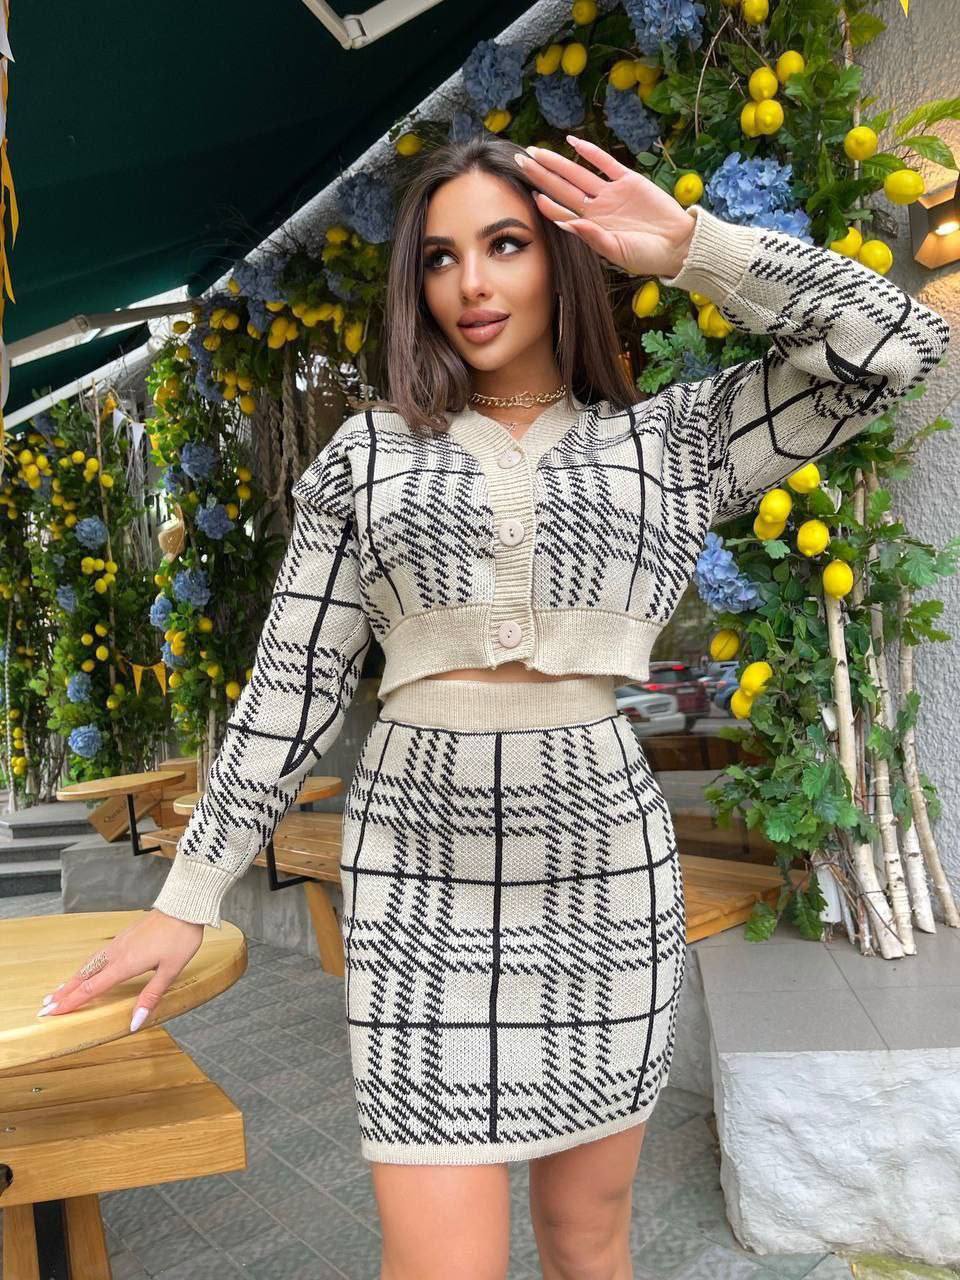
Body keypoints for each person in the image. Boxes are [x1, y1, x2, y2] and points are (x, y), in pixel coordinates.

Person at [39, 134, 948, 1279]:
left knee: (586, 1242)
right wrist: (188, 890)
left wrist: (693, 248)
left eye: (505, 245)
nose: (471, 283)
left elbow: (900, 347)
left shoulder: (670, 445)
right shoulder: (366, 456)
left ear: (558, 259)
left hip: (602, 882)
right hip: (418, 887)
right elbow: (293, 682)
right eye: (440, 258)